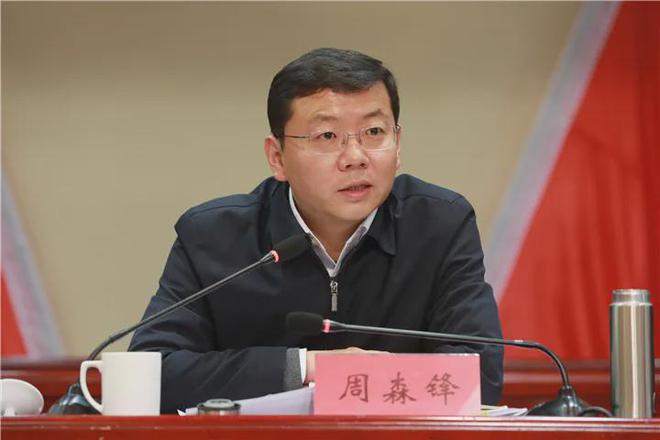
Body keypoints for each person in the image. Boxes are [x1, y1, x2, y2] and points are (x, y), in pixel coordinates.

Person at [129, 48, 504, 413]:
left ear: (398, 144)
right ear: (277, 157)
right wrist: (307, 367)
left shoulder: (440, 225)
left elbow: (479, 374)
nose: (355, 157)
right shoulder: (213, 236)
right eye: (327, 136)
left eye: (374, 131)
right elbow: (151, 373)